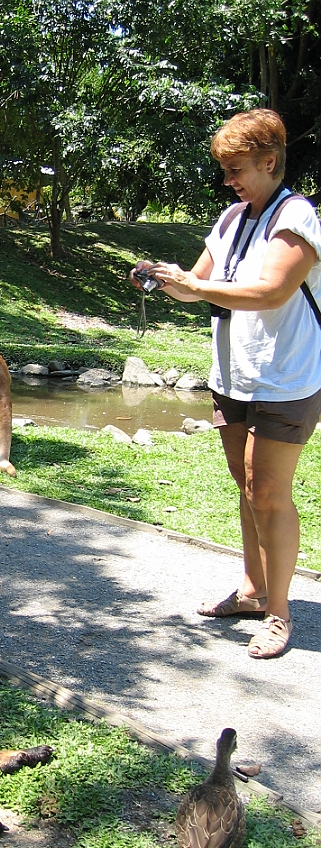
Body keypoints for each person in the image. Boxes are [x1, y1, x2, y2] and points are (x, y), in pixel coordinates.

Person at [131, 109, 321, 659]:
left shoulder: (297, 216)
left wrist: (195, 284)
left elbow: (270, 292)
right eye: (225, 169)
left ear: (270, 161)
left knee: (269, 493)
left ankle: (280, 615)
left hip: (286, 378)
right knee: (246, 488)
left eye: (237, 168)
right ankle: (253, 590)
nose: (229, 179)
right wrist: (165, 279)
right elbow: (199, 288)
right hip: (235, 375)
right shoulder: (232, 218)